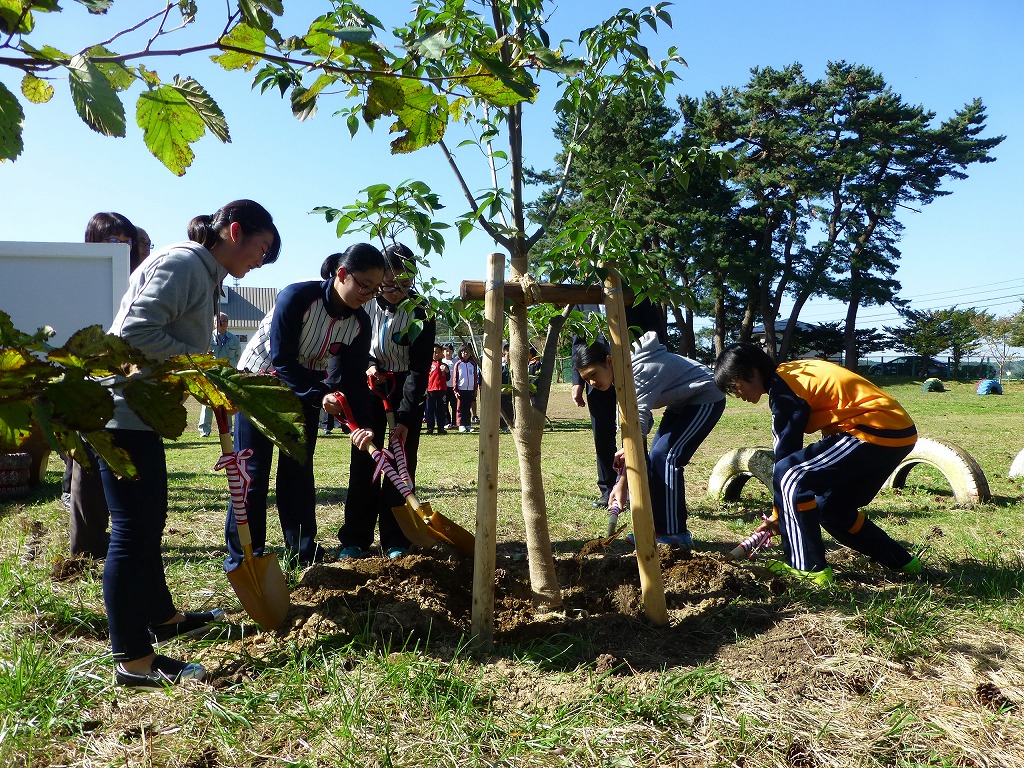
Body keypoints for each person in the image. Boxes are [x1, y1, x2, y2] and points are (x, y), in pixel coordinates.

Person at [98, 199, 280, 687]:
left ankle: (162, 619)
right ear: (234, 232)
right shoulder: (183, 264)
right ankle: (133, 660)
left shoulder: (203, 272)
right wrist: (204, 369)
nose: (259, 262)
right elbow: (135, 334)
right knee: (132, 533)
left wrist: (203, 383)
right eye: (260, 249)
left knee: (148, 523)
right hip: (123, 415)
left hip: (142, 415)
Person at [227, 243, 384, 572]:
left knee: (298, 470)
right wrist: (318, 395)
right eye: (364, 286)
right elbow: (282, 360)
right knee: (252, 473)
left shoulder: (358, 323)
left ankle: (301, 549)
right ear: (342, 274)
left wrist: (361, 424)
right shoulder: (296, 297)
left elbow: (352, 379)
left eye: (374, 289)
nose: (368, 295)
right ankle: (245, 554)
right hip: (260, 381)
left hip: (307, 387)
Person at [713, 342, 924, 585]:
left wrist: (778, 514)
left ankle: (808, 568)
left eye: (734, 387)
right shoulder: (793, 374)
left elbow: (785, 452)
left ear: (751, 372)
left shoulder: (784, 389)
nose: (737, 395)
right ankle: (903, 562)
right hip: (895, 433)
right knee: (832, 509)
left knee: (789, 473)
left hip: (874, 430)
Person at [574, 332, 726, 550]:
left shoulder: (636, 373)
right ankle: (653, 529)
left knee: (667, 458)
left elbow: (638, 426)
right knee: (656, 459)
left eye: (592, 374)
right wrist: (625, 467)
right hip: (682, 403)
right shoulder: (622, 377)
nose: (591, 382)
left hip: (705, 397)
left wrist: (622, 481)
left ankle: (674, 534)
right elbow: (634, 427)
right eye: (585, 379)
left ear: (609, 361)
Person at [332, 243, 434, 559]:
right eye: (389, 283)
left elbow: (419, 368)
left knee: (401, 464)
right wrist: (368, 365)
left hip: (405, 388)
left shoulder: (421, 311)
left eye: (405, 284)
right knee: (365, 460)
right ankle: (355, 538)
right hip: (368, 386)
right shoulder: (365, 304)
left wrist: (404, 417)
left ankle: (396, 538)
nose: (395, 290)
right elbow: (351, 346)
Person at [66, 212, 143, 559]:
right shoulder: (79, 278)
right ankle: (86, 545)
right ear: (93, 241)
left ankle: (115, 536)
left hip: (124, 384)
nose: (123, 247)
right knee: (86, 462)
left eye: (128, 240)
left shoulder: (139, 278)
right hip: (86, 380)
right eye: (114, 240)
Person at [571, 299, 668, 508]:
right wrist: (578, 381)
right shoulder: (582, 297)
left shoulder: (632, 289)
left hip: (633, 371)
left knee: (634, 427)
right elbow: (578, 342)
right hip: (596, 375)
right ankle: (607, 489)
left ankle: (638, 486)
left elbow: (656, 327)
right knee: (602, 434)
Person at [197, 312, 242, 437]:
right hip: (210, 375)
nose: (222, 324)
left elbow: (238, 356)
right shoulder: (207, 338)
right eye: (219, 321)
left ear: (228, 323)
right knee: (207, 403)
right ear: (214, 323)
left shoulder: (234, 339)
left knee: (227, 402)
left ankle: (229, 428)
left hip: (226, 376)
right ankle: (204, 430)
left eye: (224, 321)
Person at [453, 344, 480, 432]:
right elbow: (455, 378)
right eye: (463, 351)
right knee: (460, 408)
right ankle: (461, 425)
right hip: (461, 389)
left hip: (470, 390)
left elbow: (475, 377)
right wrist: (455, 390)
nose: (465, 353)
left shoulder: (473, 364)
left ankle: (468, 424)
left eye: (467, 352)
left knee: (467, 408)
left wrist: (475, 389)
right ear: (460, 353)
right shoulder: (458, 364)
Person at [426, 343, 450, 435]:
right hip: (431, 390)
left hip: (442, 390)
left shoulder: (444, 365)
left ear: (441, 354)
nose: (435, 354)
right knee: (430, 410)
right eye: (434, 352)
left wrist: (447, 371)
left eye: (438, 352)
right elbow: (425, 378)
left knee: (441, 409)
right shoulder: (428, 365)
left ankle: (441, 428)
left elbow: (448, 378)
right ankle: (430, 428)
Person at [443, 342, 457, 425]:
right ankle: (447, 421)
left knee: (454, 406)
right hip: (444, 387)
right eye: (446, 351)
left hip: (454, 387)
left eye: (450, 351)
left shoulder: (456, 361)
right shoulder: (441, 361)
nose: (448, 353)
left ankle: (455, 422)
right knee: (445, 406)